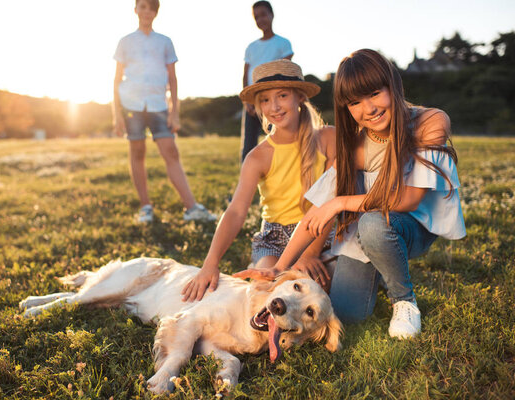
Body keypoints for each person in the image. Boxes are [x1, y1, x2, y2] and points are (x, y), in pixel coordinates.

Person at [236, 49, 466, 339]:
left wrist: (340, 203)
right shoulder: (357, 145)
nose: (368, 108)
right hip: (370, 232)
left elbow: (409, 199)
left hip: (414, 226)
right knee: (348, 313)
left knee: (372, 222)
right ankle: (384, 266)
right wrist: (280, 268)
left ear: (392, 86)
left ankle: (404, 301)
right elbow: (315, 215)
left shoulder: (430, 122)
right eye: (355, 102)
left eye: (374, 94)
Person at [181, 59, 336, 302]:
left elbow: (332, 198)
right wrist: (210, 263)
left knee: (314, 296)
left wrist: (312, 252)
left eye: (282, 95)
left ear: (300, 97)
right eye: (264, 99)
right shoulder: (258, 157)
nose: (274, 106)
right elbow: (235, 212)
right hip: (275, 237)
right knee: (263, 294)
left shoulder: (328, 138)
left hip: (321, 232)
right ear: (258, 106)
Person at [112, 0, 217, 224]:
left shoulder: (165, 42)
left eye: (151, 8)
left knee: (171, 152)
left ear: (155, 13)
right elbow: (116, 80)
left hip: (159, 106)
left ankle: (191, 207)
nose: (146, 11)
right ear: (135, 10)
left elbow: (172, 78)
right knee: (137, 153)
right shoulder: (125, 42)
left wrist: (174, 111)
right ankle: (146, 208)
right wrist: (117, 114)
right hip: (132, 106)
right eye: (142, 7)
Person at [241, 1, 294, 162]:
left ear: (272, 15)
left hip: (273, 100)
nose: (260, 20)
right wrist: (246, 101)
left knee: (277, 137)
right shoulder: (251, 47)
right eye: (256, 17)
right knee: (248, 143)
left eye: (263, 15)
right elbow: (245, 75)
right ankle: (247, 179)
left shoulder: (283, 43)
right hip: (252, 100)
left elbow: (286, 70)